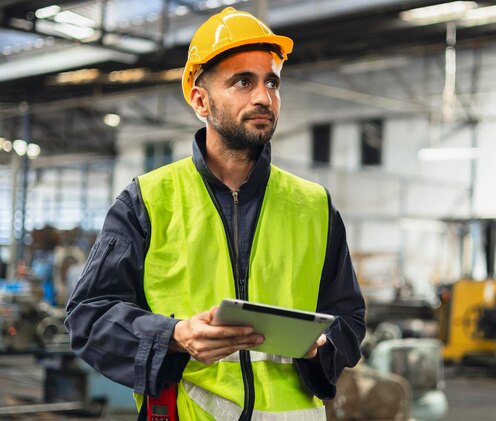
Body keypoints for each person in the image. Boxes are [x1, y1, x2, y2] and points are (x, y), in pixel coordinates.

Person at [65, 6, 365, 421]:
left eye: (271, 82)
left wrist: (321, 343)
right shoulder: (148, 200)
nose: (264, 96)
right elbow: (88, 316)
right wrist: (174, 336)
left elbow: (350, 320)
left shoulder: (314, 205)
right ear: (199, 99)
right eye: (243, 81)